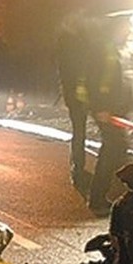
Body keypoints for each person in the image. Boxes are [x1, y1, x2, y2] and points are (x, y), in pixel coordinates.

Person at [85, 12, 133, 216]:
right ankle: (99, 198)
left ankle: (103, 196)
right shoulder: (106, 50)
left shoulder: (123, 48)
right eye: (127, 25)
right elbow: (95, 80)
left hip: (118, 110)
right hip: (108, 112)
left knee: (116, 151)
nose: (131, 29)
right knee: (113, 152)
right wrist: (100, 108)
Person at [55, 12, 92, 198]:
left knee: (80, 131)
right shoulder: (69, 42)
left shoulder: (73, 40)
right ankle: (78, 170)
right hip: (76, 94)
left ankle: (79, 168)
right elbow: (68, 69)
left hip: (80, 92)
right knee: (80, 132)